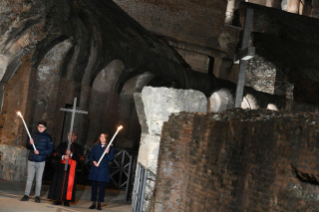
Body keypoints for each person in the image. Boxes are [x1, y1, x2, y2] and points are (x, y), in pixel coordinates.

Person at [20, 120, 53, 203]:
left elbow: (50, 150)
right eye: (39, 126)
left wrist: (40, 152)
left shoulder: (48, 137)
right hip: (32, 159)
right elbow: (27, 147)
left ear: (45, 128)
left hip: (41, 161)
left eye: (42, 127)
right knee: (29, 178)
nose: (40, 128)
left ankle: (37, 196)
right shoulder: (33, 135)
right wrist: (30, 143)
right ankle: (26, 195)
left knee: (39, 179)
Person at [48, 132, 83, 207]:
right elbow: (55, 154)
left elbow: (80, 158)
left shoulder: (78, 147)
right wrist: (63, 156)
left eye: (72, 135)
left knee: (68, 184)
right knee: (59, 183)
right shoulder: (62, 144)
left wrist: (71, 155)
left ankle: (66, 201)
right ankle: (58, 200)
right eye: (68, 135)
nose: (70, 137)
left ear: (75, 137)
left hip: (71, 168)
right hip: (61, 167)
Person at [88, 133, 114, 210]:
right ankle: (93, 203)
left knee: (102, 187)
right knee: (94, 186)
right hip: (95, 169)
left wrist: (107, 153)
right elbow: (91, 156)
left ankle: (99, 204)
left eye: (104, 137)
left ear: (106, 138)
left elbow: (111, 158)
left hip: (103, 169)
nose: (102, 138)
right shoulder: (96, 146)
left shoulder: (110, 148)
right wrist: (94, 162)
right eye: (101, 136)